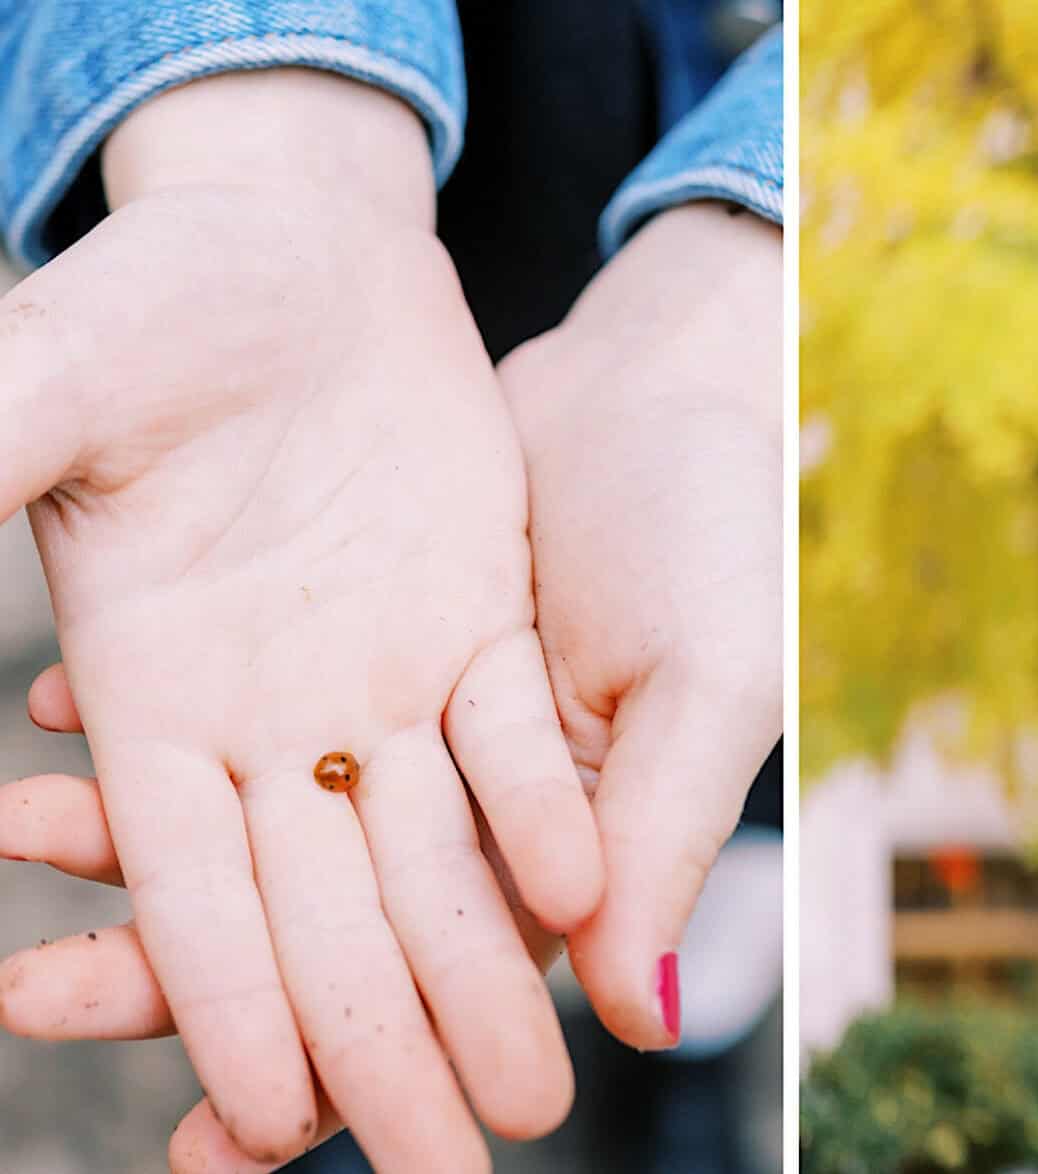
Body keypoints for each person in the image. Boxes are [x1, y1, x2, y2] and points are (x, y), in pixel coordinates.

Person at [0, 3, 782, 1170]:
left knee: (661, 716)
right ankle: (355, 1041)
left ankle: (697, 1032)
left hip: (706, 198)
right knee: (434, 799)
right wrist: (264, 129)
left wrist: (750, 283)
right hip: (469, 157)